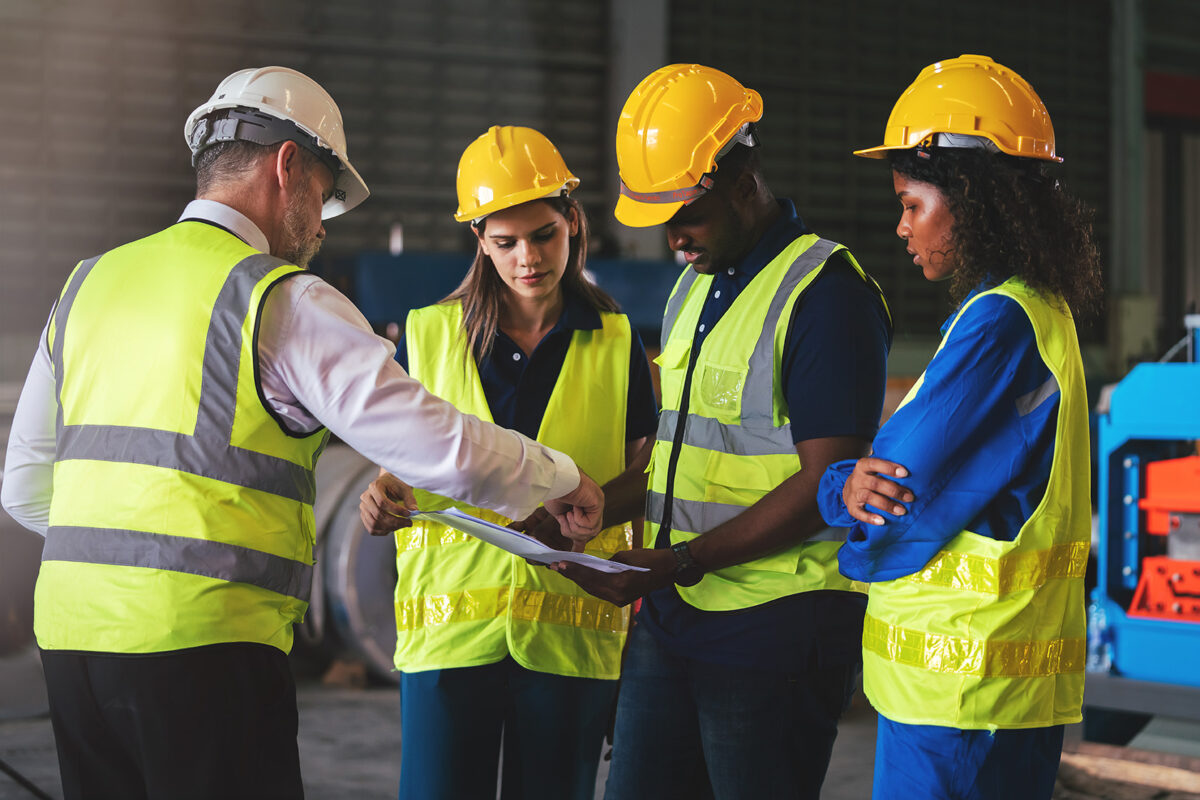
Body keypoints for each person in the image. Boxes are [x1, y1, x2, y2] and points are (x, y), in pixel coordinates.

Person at [0, 67, 604, 800]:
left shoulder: (87, 283)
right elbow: (436, 446)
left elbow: (25, 486)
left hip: (71, 646)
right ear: (288, 168)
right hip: (209, 650)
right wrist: (563, 478)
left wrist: (120, 568)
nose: (320, 226)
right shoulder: (280, 298)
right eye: (323, 196)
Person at [547, 64, 894, 800]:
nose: (673, 238)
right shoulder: (694, 285)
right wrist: (593, 509)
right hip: (675, 618)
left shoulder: (826, 297)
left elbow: (823, 484)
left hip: (773, 632)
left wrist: (675, 564)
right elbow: (682, 453)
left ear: (742, 183)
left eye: (686, 216)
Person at [815, 55, 1103, 800]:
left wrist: (837, 488)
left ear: (971, 201)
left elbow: (892, 495)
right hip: (1008, 691)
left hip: (955, 697)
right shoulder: (1044, 311)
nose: (902, 225)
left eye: (913, 203)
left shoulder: (999, 320)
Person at [356, 125, 659, 800]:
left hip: (568, 631)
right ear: (479, 241)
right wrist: (380, 494)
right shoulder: (428, 335)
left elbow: (647, 473)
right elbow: (395, 465)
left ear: (572, 222)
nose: (529, 257)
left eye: (545, 234)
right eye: (506, 242)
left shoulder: (616, 343)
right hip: (450, 636)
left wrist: (604, 504)